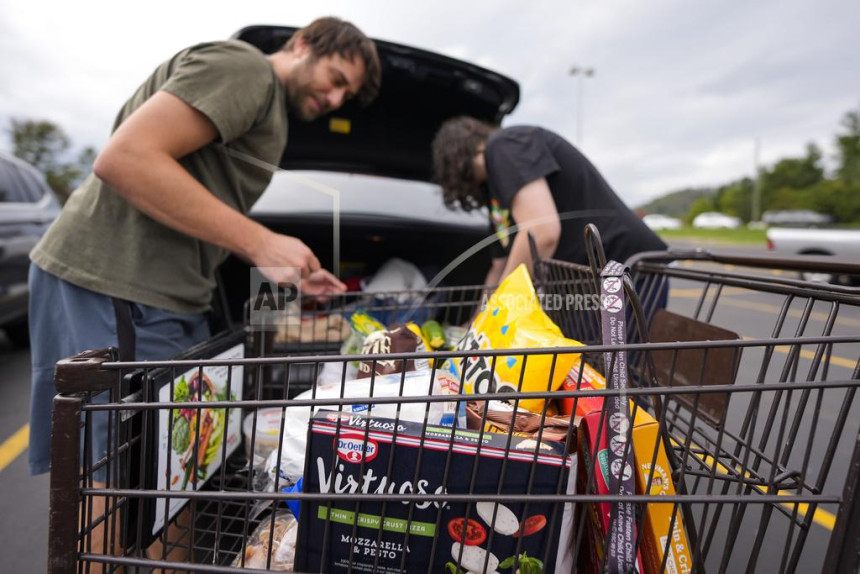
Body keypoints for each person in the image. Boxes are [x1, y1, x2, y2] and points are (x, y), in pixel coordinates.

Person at [28, 17, 379, 484]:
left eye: (346, 96)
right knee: (115, 487)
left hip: (167, 298)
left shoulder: (267, 104)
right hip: (113, 283)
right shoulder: (245, 69)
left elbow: (200, 202)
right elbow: (125, 158)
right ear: (303, 44)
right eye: (336, 79)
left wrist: (277, 265)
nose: (336, 100)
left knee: (169, 478)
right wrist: (260, 242)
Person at [431, 117, 667, 287]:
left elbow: (541, 232)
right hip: (587, 282)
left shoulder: (506, 144)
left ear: (455, 158)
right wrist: (476, 322)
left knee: (617, 359)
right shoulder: (496, 195)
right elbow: (499, 266)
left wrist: (501, 303)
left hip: (624, 271)